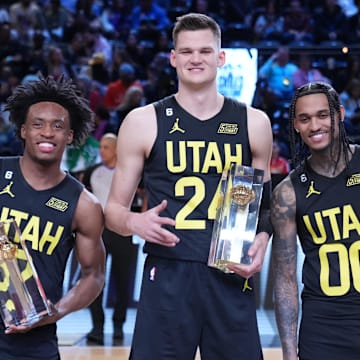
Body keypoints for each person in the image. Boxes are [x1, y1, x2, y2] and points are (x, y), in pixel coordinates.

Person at [105, 12, 273, 359]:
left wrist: (262, 237)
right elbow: (113, 211)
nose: (195, 58)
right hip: (167, 271)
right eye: (186, 51)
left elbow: (266, 207)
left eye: (205, 51)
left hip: (230, 271)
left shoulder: (254, 122)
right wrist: (135, 221)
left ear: (221, 57)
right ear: (173, 58)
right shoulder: (142, 121)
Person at [0, 75, 106, 359]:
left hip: (33, 343)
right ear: (23, 130)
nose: (47, 132)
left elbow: (93, 275)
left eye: (57, 126)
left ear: (69, 136)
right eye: (38, 124)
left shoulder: (84, 204)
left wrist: (54, 312)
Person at [271, 81, 360, 360]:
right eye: (305, 118)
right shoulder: (287, 191)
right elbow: (285, 278)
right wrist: (288, 351)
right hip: (324, 327)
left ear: (340, 114)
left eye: (323, 115)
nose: (315, 125)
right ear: (296, 125)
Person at [82, 133, 137, 345]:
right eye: (101, 147)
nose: (101, 150)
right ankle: (97, 327)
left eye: (106, 147)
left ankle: (118, 326)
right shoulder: (92, 172)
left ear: (116, 150)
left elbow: (141, 195)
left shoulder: (128, 173)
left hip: (122, 232)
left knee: (123, 282)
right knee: (94, 278)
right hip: (99, 232)